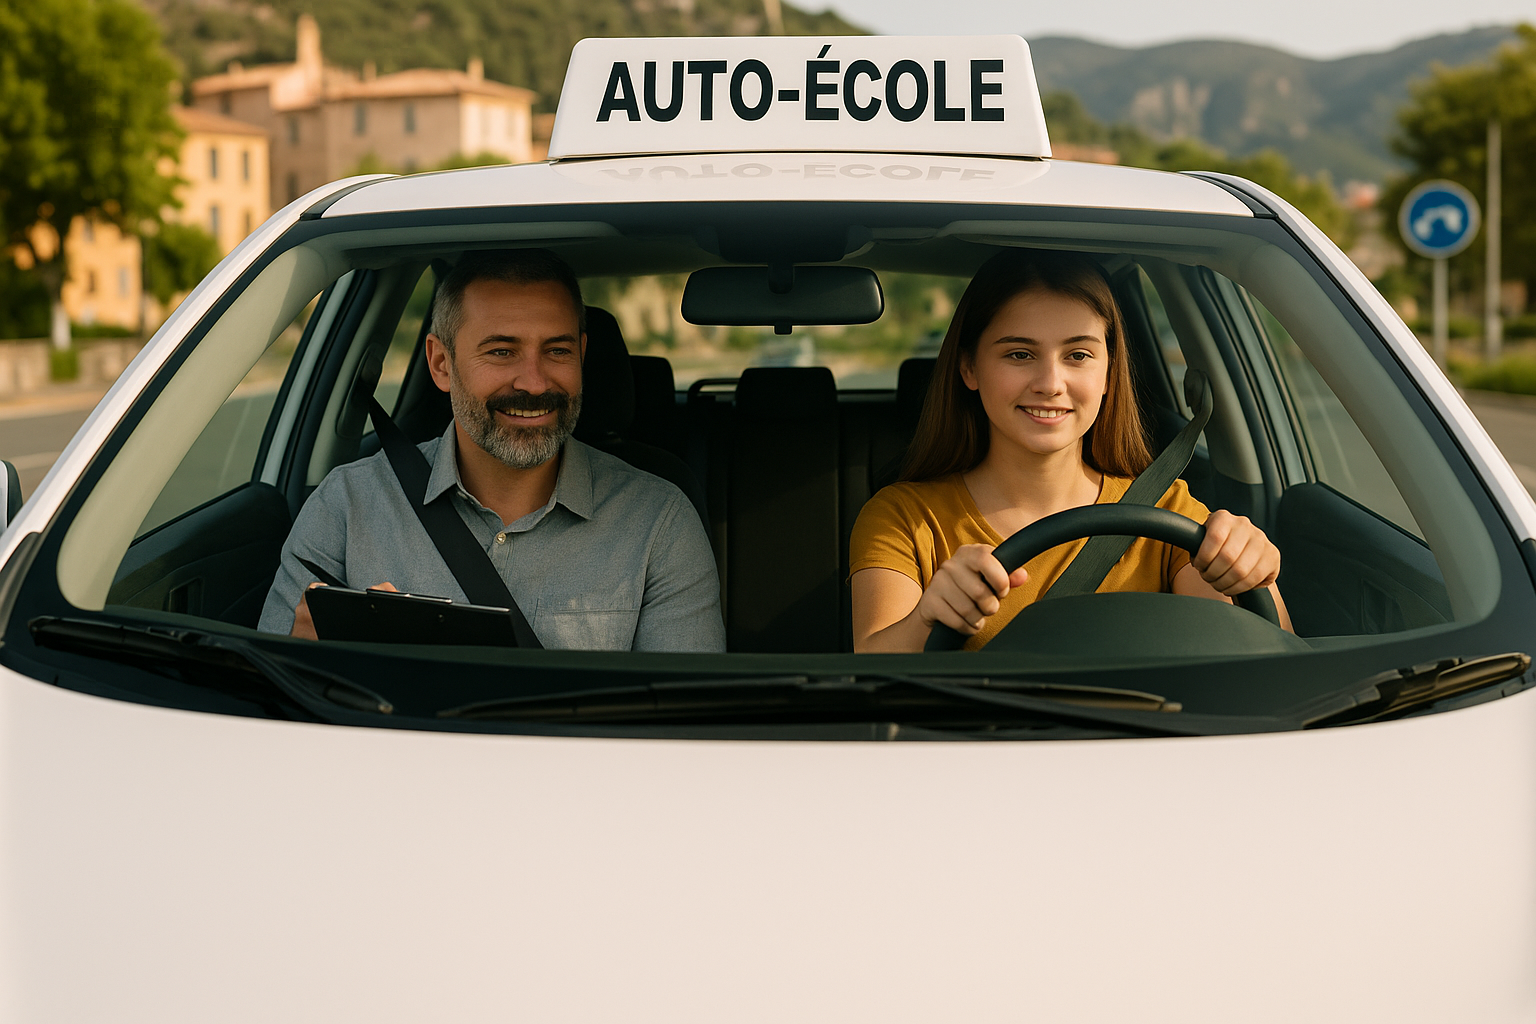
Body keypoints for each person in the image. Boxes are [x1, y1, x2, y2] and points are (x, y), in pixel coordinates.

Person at [259, 248, 725, 652]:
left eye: (557, 351)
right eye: (502, 352)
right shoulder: (345, 508)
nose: (534, 382)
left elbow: (684, 733)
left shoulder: (658, 523)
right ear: (442, 364)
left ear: (582, 355)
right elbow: (268, 714)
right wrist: (302, 667)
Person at [850, 249, 1291, 653]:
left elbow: (1264, 663)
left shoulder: (1169, 514)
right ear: (969, 368)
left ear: (1108, 373)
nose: (1050, 383)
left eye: (1078, 355)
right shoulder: (904, 518)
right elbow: (871, 671)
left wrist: (1251, 575)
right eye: (1020, 355)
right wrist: (929, 617)